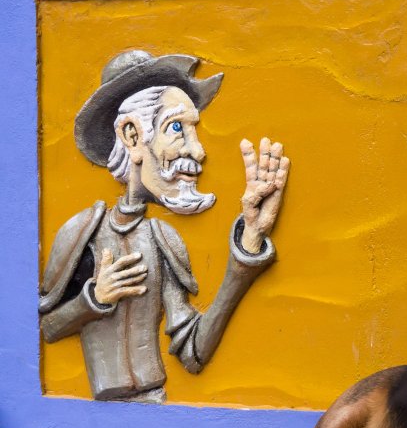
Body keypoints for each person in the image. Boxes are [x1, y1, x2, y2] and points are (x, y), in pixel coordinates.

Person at [39, 51, 290, 402]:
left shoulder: (162, 238)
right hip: (95, 424)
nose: (198, 151)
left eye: (194, 130)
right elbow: (48, 328)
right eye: (177, 128)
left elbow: (193, 351)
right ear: (131, 135)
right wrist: (94, 298)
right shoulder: (81, 232)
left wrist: (249, 238)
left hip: (155, 405)